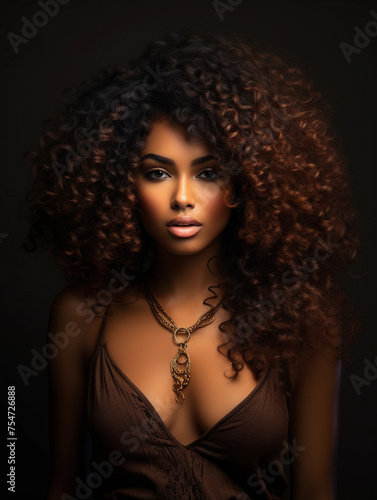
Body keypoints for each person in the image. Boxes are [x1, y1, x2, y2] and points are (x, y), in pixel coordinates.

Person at [23, 28, 360, 500]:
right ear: (124, 184)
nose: (182, 198)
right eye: (158, 173)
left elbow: (316, 492)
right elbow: (57, 487)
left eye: (208, 173)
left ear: (244, 184)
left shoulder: (303, 326)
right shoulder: (81, 316)